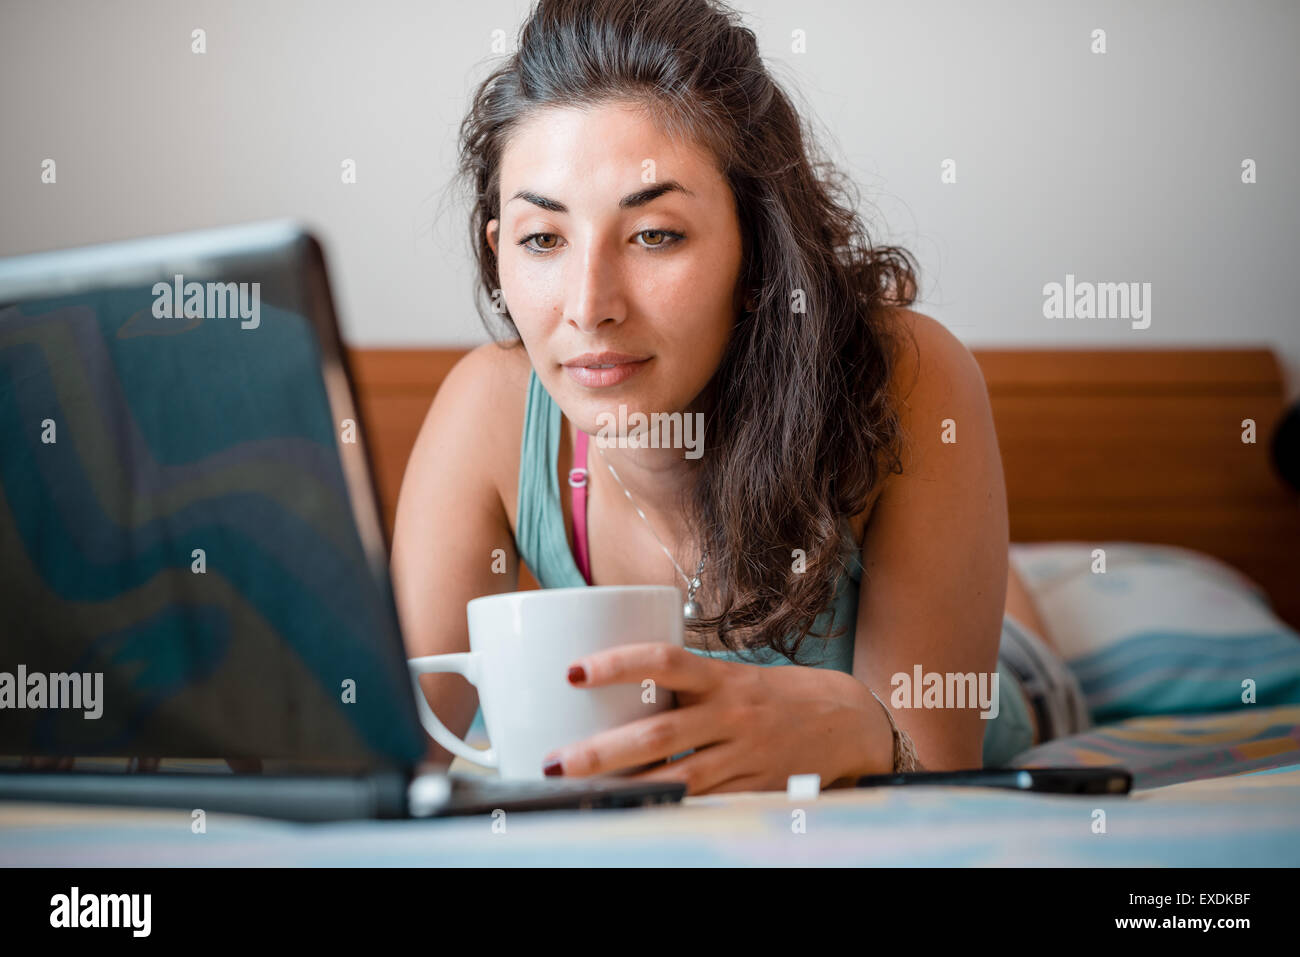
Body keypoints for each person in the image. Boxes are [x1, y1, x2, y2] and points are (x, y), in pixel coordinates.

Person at [391, 0, 1090, 794]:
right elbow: (387, 751)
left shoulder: (911, 374)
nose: (589, 306)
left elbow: (933, 768)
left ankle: (1021, 596)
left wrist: (868, 728)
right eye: (542, 239)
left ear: (757, 250)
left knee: (1028, 643)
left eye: (656, 233)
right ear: (498, 250)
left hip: (1011, 690)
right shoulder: (488, 408)